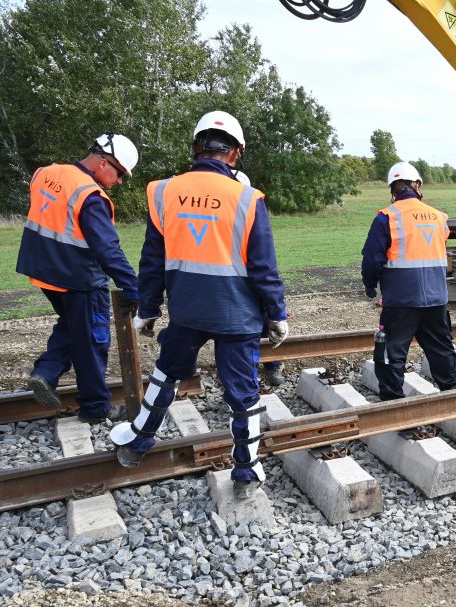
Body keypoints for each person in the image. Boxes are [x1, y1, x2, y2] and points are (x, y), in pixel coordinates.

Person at [108, 111, 289, 500]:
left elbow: (152, 260)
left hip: (187, 311)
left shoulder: (163, 192)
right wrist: (277, 314)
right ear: (235, 154)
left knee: (166, 375)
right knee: (243, 393)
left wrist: (148, 309)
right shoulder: (247, 198)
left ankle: (138, 441)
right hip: (238, 316)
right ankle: (246, 469)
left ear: (196, 147)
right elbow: (263, 267)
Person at [17, 133, 140, 423]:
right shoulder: (90, 196)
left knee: (72, 326)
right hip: (79, 279)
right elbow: (107, 250)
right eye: (119, 172)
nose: (119, 181)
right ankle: (96, 408)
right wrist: (133, 286)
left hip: (44, 273)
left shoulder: (45, 173)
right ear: (101, 161)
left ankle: (45, 373)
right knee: (92, 340)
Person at [361, 161, 456, 401]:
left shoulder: (387, 217)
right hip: (437, 299)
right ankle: (453, 392)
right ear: (417, 185)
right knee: (440, 347)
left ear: (392, 190)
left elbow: (371, 259)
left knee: (392, 352)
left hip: (401, 300)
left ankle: (393, 400)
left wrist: (369, 286)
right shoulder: (439, 217)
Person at [234, 168, 285, 387]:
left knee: (265, 322)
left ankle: (271, 367)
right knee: (253, 328)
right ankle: (258, 370)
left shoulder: (247, 209)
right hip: (239, 286)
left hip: (247, 284)